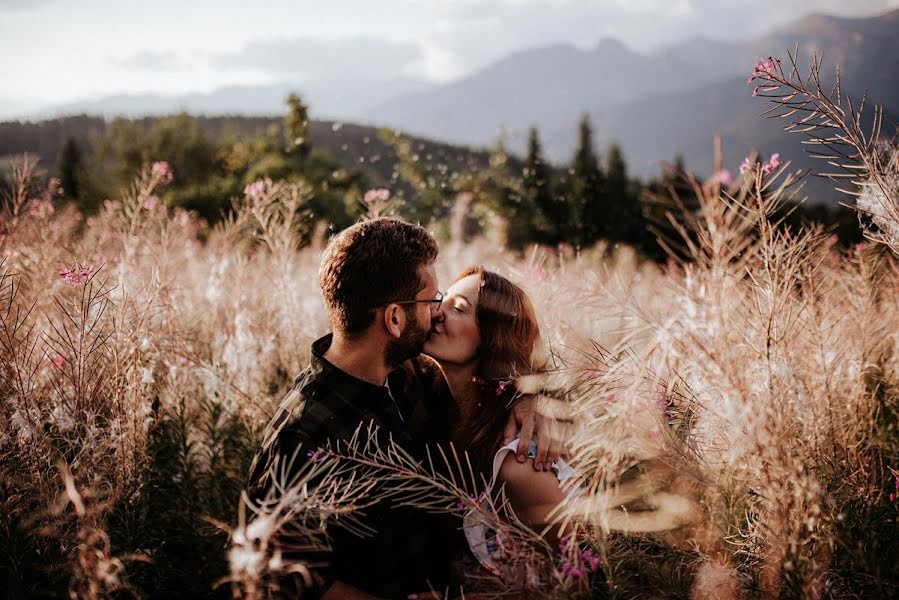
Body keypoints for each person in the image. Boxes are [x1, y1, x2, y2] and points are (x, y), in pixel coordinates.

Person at [246, 218, 565, 600]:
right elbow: (283, 578)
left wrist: (533, 396)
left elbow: (511, 355)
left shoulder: (409, 379)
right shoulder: (303, 434)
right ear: (395, 319)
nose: (438, 313)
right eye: (433, 301)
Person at [423, 266, 580, 579]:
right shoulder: (425, 396)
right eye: (442, 301)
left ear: (493, 339)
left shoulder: (519, 465)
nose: (436, 313)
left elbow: (572, 582)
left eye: (457, 309)